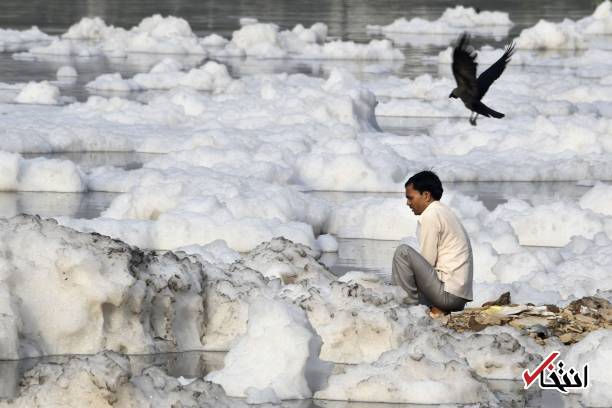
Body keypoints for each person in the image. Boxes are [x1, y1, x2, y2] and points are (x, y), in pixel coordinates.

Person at [392, 170, 473, 316]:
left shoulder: (431, 214)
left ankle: (408, 312)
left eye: (410, 198)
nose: (408, 203)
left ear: (426, 195)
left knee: (403, 253)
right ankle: (423, 306)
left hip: (448, 296)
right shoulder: (443, 211)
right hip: (458, 296)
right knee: (404, 276)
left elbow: (427, 262)